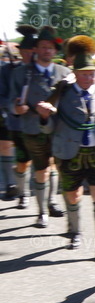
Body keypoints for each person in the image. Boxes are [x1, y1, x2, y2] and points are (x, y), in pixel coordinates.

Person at [35, 36, 95, 259]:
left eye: (92, 73)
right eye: (85, 74)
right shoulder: (62, 93)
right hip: (69, 153)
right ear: (75, 74)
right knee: (72, 196)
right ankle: (75, 232)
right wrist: (44, 117)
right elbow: (48, 129)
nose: (90, 77)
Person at [9, 25, 69, 227]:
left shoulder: (65, 73)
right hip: (32, 127)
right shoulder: (21, 73)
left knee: (54, 167)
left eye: (50, 47)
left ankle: (52, 201)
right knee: (41, 169)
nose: (46, 50)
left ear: (55, 51)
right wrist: (17, 108)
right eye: (43, 46)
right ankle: (42, 212)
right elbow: (12, 100)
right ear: (35, 49)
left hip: (59, 129)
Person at [0, 25, 36, 205]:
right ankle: (12, 185)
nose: (29, 55)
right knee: (8, 148)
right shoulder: (7, 71)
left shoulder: (43, 70)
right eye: (26, 51)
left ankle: (46, 199)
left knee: (33, 161)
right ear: (20, 52)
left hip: (37, 122)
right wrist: (12, 105)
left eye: (32, 51)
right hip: (12, 119)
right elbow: (1, 96)